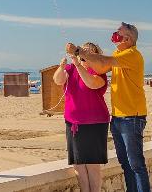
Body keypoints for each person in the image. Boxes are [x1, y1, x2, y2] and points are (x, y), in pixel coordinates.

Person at [73, 22, 150, 192]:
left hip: (132, 116)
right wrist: (79, 61)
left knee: (136, 164)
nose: (114, 36)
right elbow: (101, 66)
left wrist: (79, 52)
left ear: (127, 39)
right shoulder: (118, 53)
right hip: (118, 117)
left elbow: (102, 61)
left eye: (118, 34)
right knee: (125, 164)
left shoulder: (132, 54)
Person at [52, 42, 110, 192]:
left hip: (95, 123)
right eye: (83, 55)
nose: (85, 58)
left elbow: (90, 83)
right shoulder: (71, 69)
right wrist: (62, 67)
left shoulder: (99, 73)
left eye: (89, 55)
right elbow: (58, 80)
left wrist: (78, 65)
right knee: (78, 164)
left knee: (92, 164)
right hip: (73, 123)